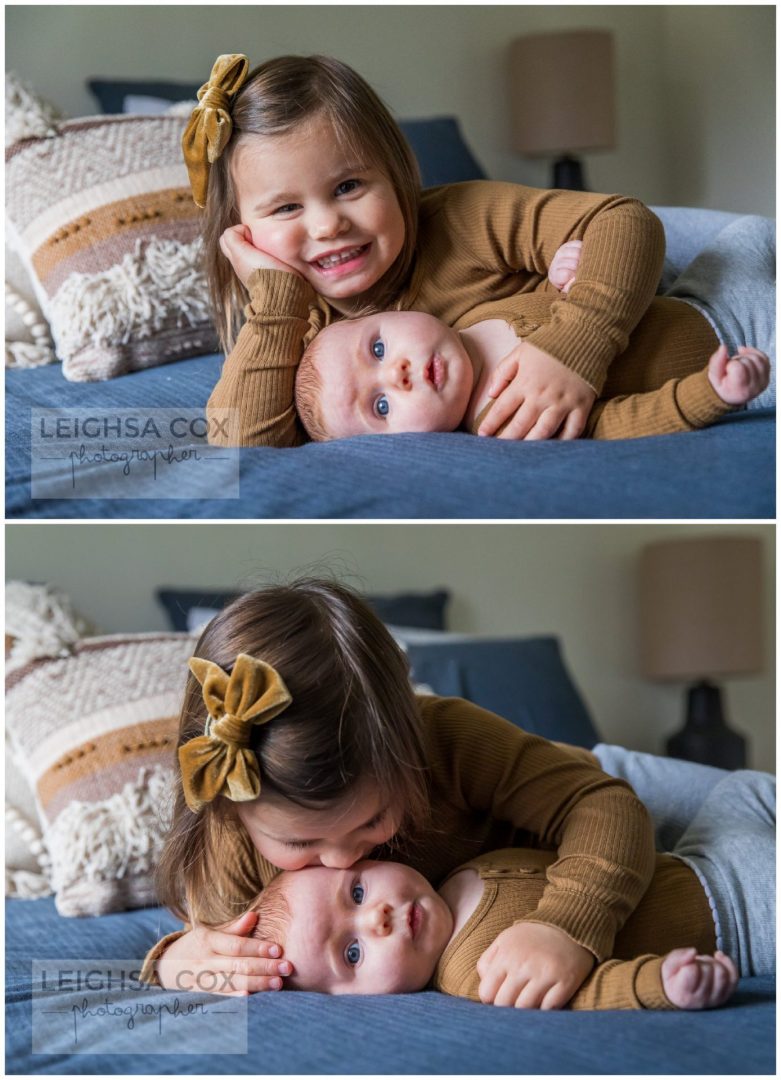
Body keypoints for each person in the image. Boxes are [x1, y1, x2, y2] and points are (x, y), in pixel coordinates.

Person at [186, 54, 773, 448]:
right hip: (663, 325)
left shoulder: (461, 219)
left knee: (746, 238)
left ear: (396, 173)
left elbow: (622, 220)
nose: (327, 224)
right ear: (243, 231)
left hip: (661, 267)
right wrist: (277, 295)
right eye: (285, 209)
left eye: (348, 187)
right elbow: (242, 447)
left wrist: (575, 347)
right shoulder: (297, 328)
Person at [141, 579, 657, 1001]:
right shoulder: (231, 849)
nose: (342, 860)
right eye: (300, 843)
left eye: (371, 819)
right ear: (232, 810)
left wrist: (565, 925)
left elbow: (599, 801)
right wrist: (175, 961)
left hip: (596, 772)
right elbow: (220, 954)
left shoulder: (448, 738)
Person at [243, 763, 773, 1005]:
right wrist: (663, 985)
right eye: (353, 953)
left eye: (357, 893)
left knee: (744, 787)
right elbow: (582, 993)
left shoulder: (455, 870)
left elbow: (586, 824)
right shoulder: (474, 973)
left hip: (703, 859)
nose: (375, 917)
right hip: (744, 922)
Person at [291, 259, 770, 440]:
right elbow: (616, 422)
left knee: (748, 236)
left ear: (389, 311)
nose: (397, 374)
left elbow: (553, 298)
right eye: (381, 405)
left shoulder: (469, 318)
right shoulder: (503, 416)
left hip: (696, 295)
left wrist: (565, 269)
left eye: (377, 348)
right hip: (740, 348)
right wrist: (709, 395)